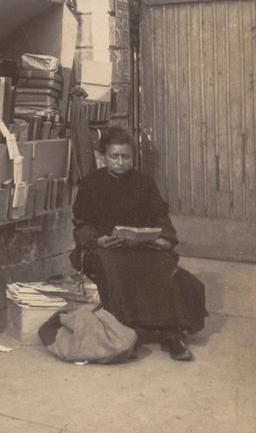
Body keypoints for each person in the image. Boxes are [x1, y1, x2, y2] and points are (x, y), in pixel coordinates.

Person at [70, 127, 206, 361]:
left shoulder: (144, 182)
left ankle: (170, 333)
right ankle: (126, 333)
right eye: (115, 156)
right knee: (115, 267)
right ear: (103, 157)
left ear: (133, 157)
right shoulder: (91, 184)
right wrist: (98, 239)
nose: (121, 162)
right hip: (105, 248)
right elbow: (82, 222)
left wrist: (163, 239)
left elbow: (160, 216)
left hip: (142, 248)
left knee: (162, 265)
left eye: (126, 157)